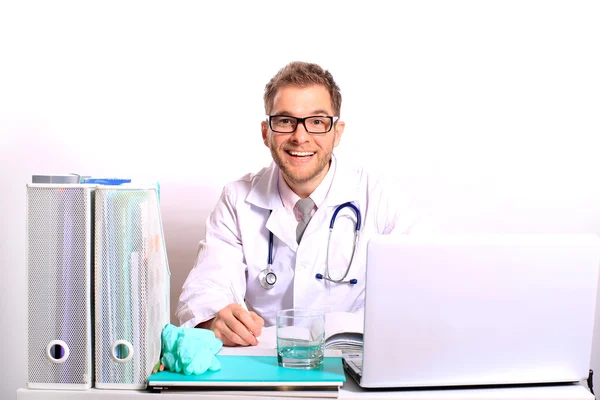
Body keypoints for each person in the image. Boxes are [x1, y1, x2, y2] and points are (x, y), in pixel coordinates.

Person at [175, 61, 437, 347]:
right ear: (266, 132)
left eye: (316, 122)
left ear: (337, 132)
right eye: (286, 121)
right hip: (267, 365)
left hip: (353, 363)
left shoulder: (381, 199)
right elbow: (208, 285)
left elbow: (428, 281)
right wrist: (215, 317)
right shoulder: (237, 200)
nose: (300, 137)